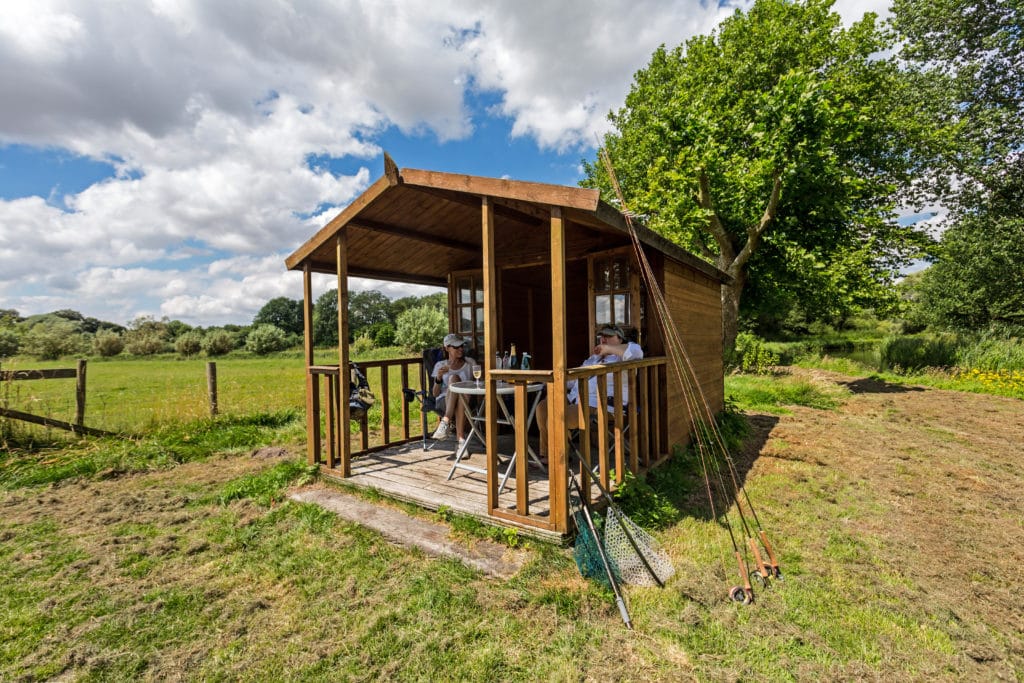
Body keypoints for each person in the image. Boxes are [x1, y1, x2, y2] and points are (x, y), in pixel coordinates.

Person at [536, 324, 643, 461]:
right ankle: (548, 454)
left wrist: (608, 349)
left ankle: (558, 460)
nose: (603, 339)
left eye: (609, 336)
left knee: (559, 417)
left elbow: (637, 351)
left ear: (620, 339)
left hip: (602, 405)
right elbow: (573, 381)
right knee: (543, 408)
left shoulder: (622, 358)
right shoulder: (593, 359)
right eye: (602, 337)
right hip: (576, 399)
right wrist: (551, 381)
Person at [430, 333, 476, 447]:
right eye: (456, 347)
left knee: (462, 391)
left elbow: (478, 383)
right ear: (447, 348)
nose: (460, 349)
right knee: (454, 378)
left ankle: (445, 421)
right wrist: (439, 377)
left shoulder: (470, 363)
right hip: (444, 402)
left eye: (462, 346)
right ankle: (461, 441)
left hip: (466, 399)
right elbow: (435, 394)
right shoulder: (440, 365)